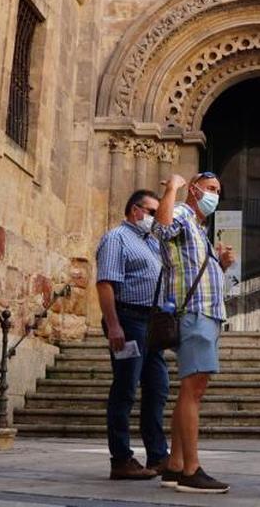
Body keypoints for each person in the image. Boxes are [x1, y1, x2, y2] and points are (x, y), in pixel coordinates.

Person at [153, 171, 235, 494]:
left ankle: (174, 465)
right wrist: (173, 187)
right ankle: (192, 469)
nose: (215, 194)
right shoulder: (184, 215)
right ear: (195, 188)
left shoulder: (200, 230)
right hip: (196, 314)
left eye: (219, 189)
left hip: (208, 314)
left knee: (191, 389)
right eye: (211, 187)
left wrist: (223, 265)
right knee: (194, 390)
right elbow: (161, 228)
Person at [94, 189, 169, 479]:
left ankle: (158, 455)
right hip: (128, 319)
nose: (154, 218)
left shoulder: (150, 242)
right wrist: (114, 325)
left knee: (158, 387)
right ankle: (121, 459)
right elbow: (105, 284)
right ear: (135, 210)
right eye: (152, 212)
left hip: (152, 325)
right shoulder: (116, 238)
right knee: (125, 388)